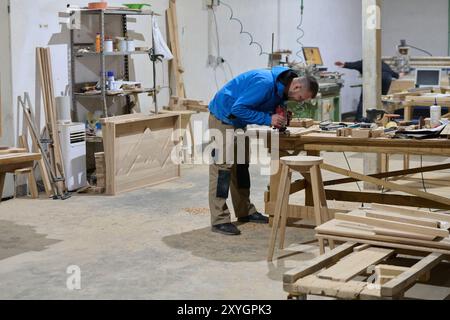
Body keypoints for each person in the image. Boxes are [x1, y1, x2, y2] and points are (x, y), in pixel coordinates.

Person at [208, 66, 319, 235]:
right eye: (301, 97)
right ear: (296, 87)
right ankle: (219, 219)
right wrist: (268, 119)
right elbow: (238, 108)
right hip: (223, 118)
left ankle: (245, 211)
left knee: (241, 167)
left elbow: (261, 104)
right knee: (223, 169)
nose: (299, 101)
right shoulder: (265, 83)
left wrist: (279, 114)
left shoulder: (281, 88)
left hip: (238, 123)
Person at [335, 60, 400, 121]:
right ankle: (380, 119)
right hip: (387, 78)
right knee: (381, 99)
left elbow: (356, 65)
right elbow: (394, 74)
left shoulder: (367, 60)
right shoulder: (383, 63)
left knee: (364, 99)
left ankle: (359, 118)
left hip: (374, 77)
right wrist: (399, 75)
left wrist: (345, 64)